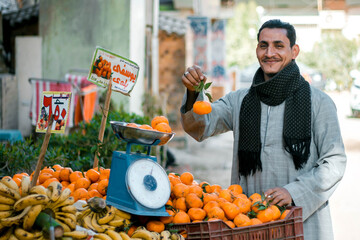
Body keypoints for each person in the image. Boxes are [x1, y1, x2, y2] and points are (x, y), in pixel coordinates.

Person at [180, 19, 346, 240]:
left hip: (302, 222)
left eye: (279, 45)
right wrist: (194, 92)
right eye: (263, 45)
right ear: (257, 50)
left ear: (294, 51)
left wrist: (294, 192)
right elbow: (200, 125)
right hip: (248, 221)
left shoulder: (319, 102)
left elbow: (334, 161)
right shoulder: (239, 101)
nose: (270, 53)